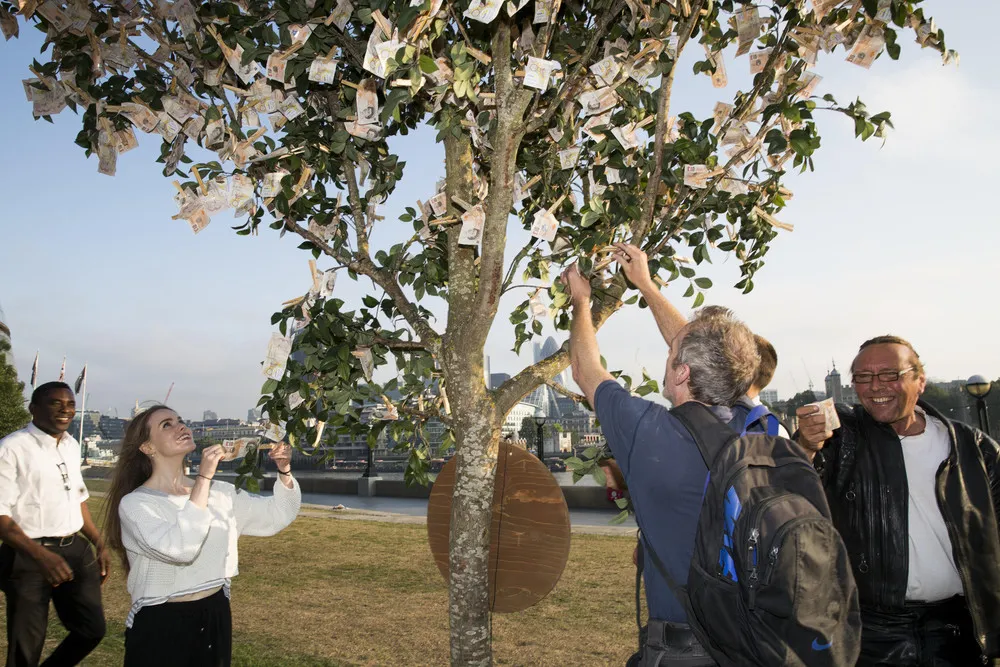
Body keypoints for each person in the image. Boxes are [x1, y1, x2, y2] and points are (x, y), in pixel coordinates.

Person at [562, 262, 759, 666]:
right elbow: (711, 357)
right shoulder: (755, 427)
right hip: (753, 639)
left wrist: (581, 302)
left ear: (682, 371)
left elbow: (584, 369)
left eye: (671, 354)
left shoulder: (649, 432)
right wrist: (646, 285)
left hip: (685, 650)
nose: (666, 355)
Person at [796, 335, 1000, 666]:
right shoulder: (842, 438)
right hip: (868, 631)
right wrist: (807, 444)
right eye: (863, 377)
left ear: (920, 381)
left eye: (890, 374)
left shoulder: (973, 448)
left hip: (958, 631)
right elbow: (795, 488)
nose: (875, 386)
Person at [102, 404, 301, 667]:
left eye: (180, 420)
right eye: (167, 425)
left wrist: (284, 471)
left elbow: (276, 515)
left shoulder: (221, 492)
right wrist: (204, 477)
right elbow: (181, 549)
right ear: (147, 447)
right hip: (161, 623)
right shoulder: (136, 504)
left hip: (215, 614)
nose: (181, 426)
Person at [611, 243, 787, 437]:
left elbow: (690, 345)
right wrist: (645, 284)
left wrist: (645, 285)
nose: (672, 354)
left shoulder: (757, 429)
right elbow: (688, 344)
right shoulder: (750, 420)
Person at [0, 381, 108, 667]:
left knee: (92, 630)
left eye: (70, 404)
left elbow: (78, 498)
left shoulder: (71, 445)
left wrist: (98, 542)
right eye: (55, 403)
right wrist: (41, 556)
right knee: (26, 647)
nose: (65, 410)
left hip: (75, 549)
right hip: (28, 555)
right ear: (33, 408)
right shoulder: (12, 448)